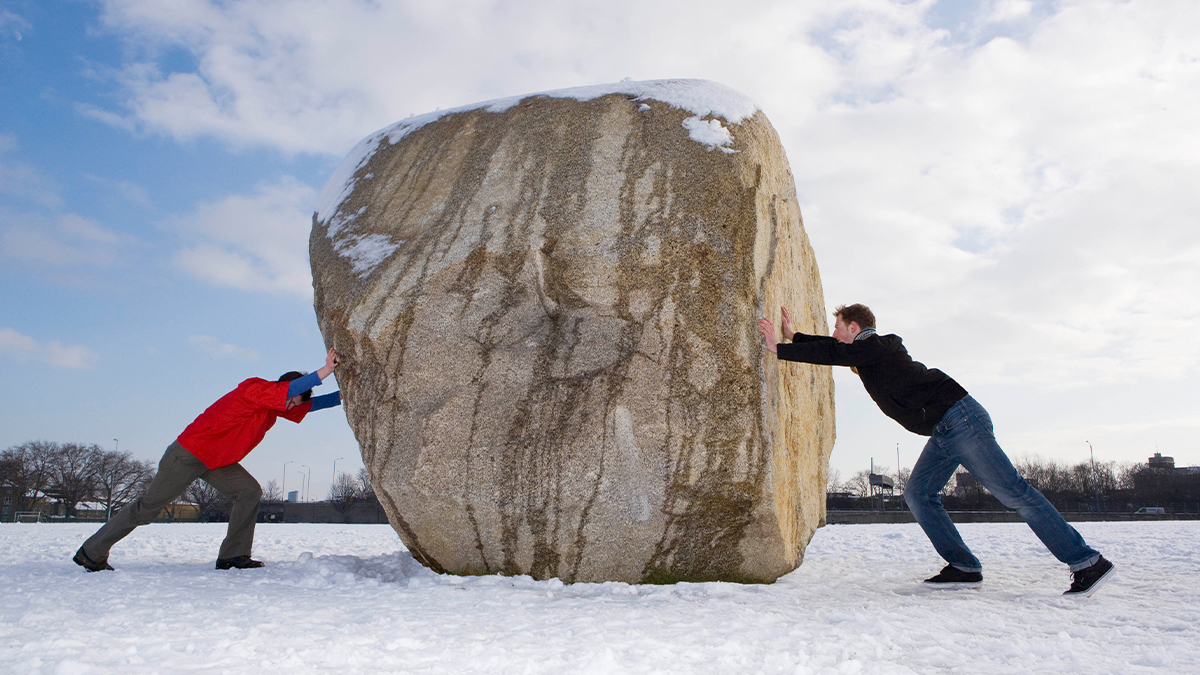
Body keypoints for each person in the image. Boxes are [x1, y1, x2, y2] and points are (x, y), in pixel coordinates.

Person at [756, 304, 1114, 596]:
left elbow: (836, 351)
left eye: (837, 327)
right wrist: (796, 337)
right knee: (918, 494)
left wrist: (782, 348)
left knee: (1014, 492)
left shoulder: (877, 345)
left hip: (961, 421)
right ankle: (963, 565)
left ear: (854, 327)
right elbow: (837, 351)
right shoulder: (870, 354)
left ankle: (1087, 562)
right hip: (946, 429)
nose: (834, 333)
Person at [73, 348, 343, 572]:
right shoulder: (256, 389)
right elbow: (294, 389)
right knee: (148, 507)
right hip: (188, 454)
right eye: (292, 400)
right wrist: (325, 370)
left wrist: (347, 395)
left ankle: (233, 555)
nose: (292, 407)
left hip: (217, 462)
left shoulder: (274, 408)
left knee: (249, 491)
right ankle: (91, 552)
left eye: (294, 405)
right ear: (283, 389)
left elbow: (314, 404)